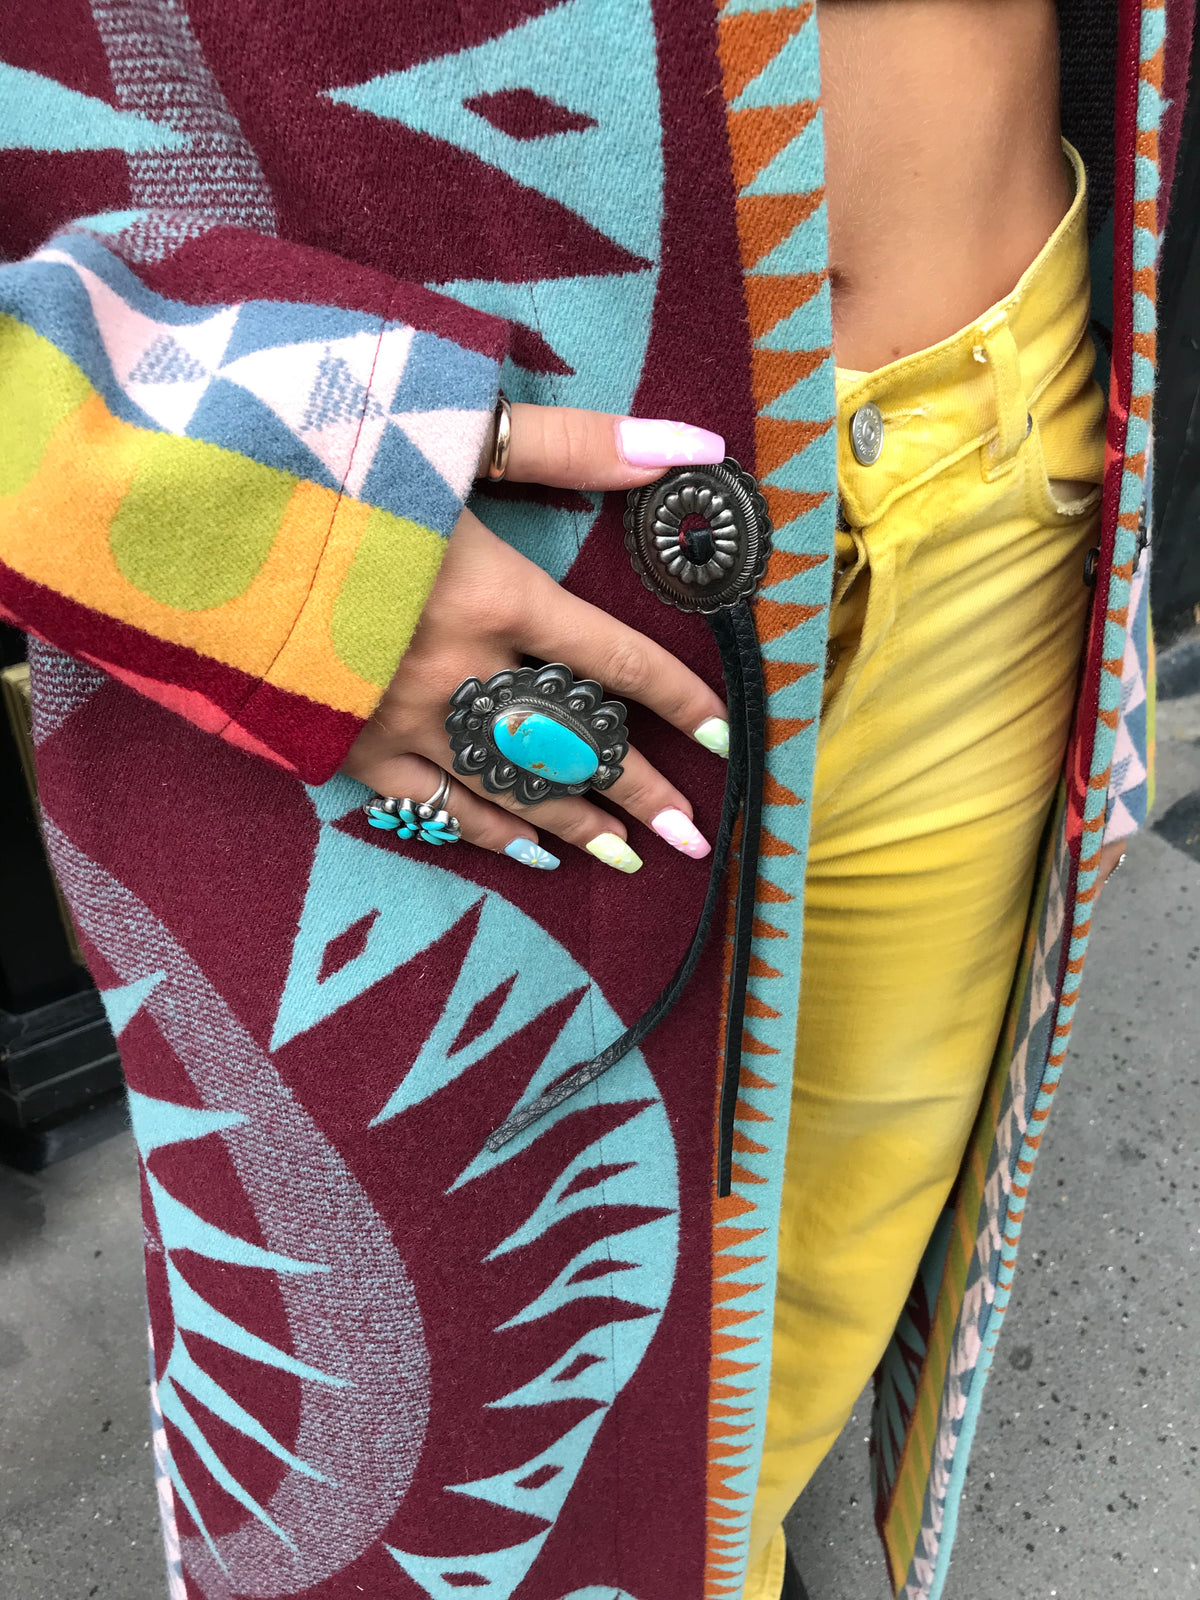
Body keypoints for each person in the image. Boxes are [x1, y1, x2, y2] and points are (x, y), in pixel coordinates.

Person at [0, 1, 1189, 1597]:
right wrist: (229, 518)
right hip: (430, 549)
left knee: (839, 1237)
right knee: (460, 1409)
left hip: (1003, 440)